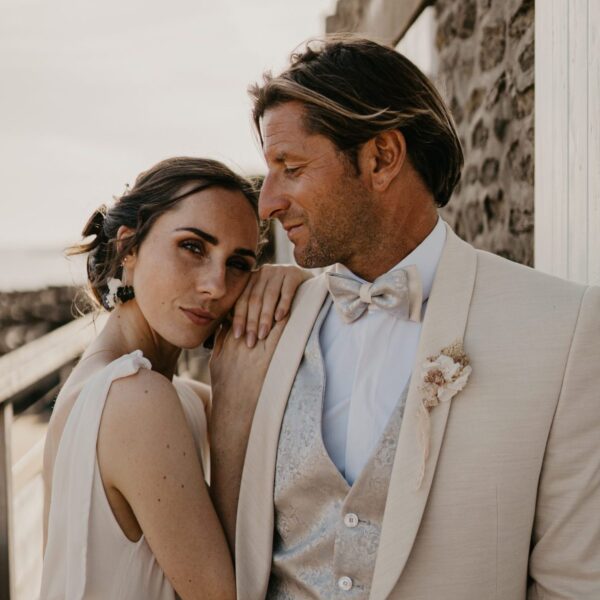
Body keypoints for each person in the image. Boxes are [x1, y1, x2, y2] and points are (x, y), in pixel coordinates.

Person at [209, 37, 600, 599]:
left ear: (382, 158)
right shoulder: (272, 318)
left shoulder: (560, 328)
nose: (267, 203)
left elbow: (574, 583)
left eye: (290, 167)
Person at [41, 156, 309, 600]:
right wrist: (235, 404)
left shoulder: (152, 390)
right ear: (129, 247)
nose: (216, 286)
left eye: (239, 264)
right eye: (193, 247)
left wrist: (296, 285)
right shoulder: (134, 398)